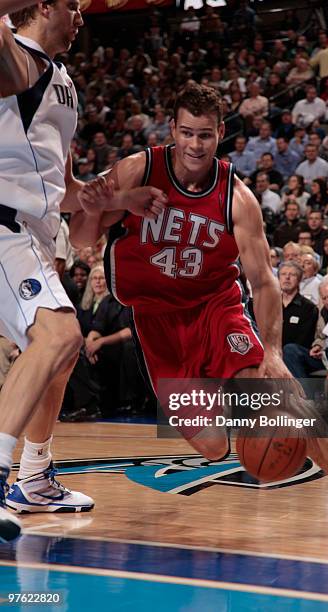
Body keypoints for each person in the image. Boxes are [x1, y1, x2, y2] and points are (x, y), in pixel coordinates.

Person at [71, 83, 328, 541]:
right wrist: (91, 208)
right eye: (186, 132)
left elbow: (264, 282)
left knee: (278, 390)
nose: (195, 144)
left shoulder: (237, 196)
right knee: (211, 448)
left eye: (205, 134)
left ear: (221, 132)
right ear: (172, 129)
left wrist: (270, 351)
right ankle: (243, 407)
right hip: (156, 324)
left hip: (215, 308)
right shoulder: (137, 169)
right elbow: (81, 241)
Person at [0, 0, 95, 541]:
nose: (81, 18)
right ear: (42, 7)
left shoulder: (63, 81)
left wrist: (123, 194)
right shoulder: (13, 53)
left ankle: (34, 479)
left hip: (31, 233)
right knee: (60, 334)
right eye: (74, 6)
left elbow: (68, 188)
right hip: (3, 225)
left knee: (61, 354)